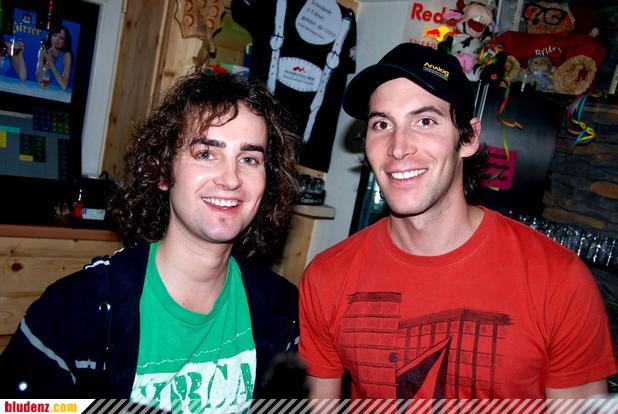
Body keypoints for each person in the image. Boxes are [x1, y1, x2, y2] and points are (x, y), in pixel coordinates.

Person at [299, 42, 617, 401]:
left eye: (425, 121)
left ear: (468, 138)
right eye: (382, 124)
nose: (398, 147)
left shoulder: (558, 281)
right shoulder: (327, 277)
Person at [0, 71, 302, 409]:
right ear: (162, 171)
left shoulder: (284, 311)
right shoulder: (73, 313)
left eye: (249, 159)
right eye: (206, 154)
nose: (231, 179)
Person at [36, 25, 72, 89]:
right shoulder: (43, 51)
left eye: (61, 38)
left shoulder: (67, 55)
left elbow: (64, 85)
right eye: (54, 35)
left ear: (64, 43)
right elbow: (39, 79)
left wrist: (51, 62)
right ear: (50, 36)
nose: (57, 39)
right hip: (42, 90)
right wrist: (47, 64)